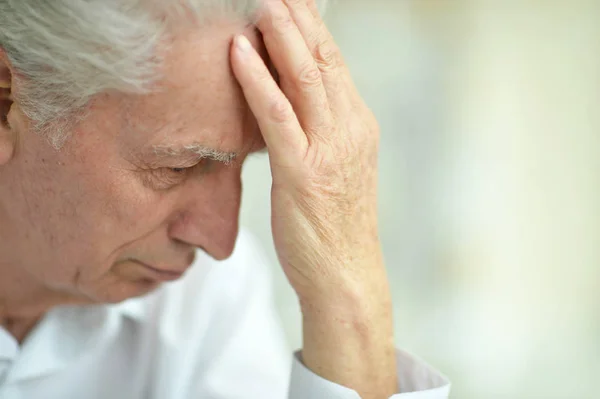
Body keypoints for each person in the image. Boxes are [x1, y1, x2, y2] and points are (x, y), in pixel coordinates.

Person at [0, 0, 450, 398]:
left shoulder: (207, 297)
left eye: (247, 163)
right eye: (177, 168)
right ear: (6, 103)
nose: (221, 243)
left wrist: (350, 296)